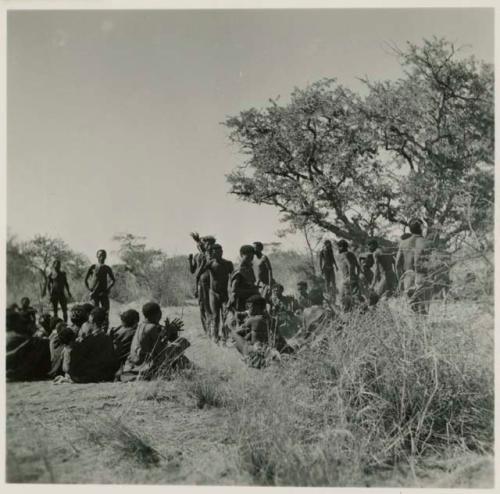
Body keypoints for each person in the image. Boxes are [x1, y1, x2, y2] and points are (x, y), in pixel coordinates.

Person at [121, 302, 188, 382]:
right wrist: (169, 333)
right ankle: (188, 369)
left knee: (175, 348)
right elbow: (160, 351)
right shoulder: (152, 328)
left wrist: (166, 332)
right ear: (158, 314)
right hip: (143, 367)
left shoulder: (141, 325)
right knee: (181, 342)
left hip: (133, 365)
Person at [59, 307, 119, 383]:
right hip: (106, 374)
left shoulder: (88, 340)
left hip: (90, 375)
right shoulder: (108, 339)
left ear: (92, 320)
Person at [231, 295, 291, 369]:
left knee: (235, 336)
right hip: (267, 349)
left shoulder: (253, 320)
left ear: (257, 307)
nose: (248, 309)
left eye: (250, 307)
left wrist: (236, 323)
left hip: (256, 350)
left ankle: (247, 359)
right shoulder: (271, 319)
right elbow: (279, 337)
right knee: (249, 335)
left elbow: (236, 333)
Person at [197, 243, 234, 344]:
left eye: (220, 251)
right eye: (216, 252)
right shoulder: (210, 263)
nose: (218, 254)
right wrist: (202, 264)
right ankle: (215, 338)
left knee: (226, 316)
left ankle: (225, 337)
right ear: (213, 253)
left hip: (224, 294)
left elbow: (232, 278)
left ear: (222, 252)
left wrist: (232, 293)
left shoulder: (228, 264)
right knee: (215, 317)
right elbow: (198, 275)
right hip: (213, 293)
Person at [395, 218, 433, 314]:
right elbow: (433, 264)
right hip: (422, 278)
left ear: (410, 229)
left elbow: (397, 265)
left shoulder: (403, 243)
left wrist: (401, 282)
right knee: (423, 311)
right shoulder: (427, 243)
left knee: (411, 310)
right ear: (421, 228)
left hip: (408, 279)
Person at [6, 307, 51, 381]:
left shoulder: (13, 336)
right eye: (20, 322)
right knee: (43, 343)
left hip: (15, 365)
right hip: (20, 368)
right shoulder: (13, 338)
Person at [191, 234, 216, 334]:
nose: (201, 245)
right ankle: (207, 330)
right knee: (202, 306)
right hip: (201, 284)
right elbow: (194, 271)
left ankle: (213, 329)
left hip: (210, 284)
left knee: (210, 307)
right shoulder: (198, 256)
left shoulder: (211, 256)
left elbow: (199, 272)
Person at [84, 249, 115, 328]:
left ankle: (105, 330)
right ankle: (95, 330)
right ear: (97, 256)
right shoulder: (93, 267)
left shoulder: (107, 268)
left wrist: (108, 289)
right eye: (100, 255)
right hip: (94, 293)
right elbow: (85, 280)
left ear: (106, 256)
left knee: (106, 312)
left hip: (104, 293)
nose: (102, 257)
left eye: (104, 255)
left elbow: (113, 280)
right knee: (95, 312)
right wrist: (90, 289)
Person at [228, 245, 260, 315]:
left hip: (250, 301)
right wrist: (251, 291)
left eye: (252, 257)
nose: (250, 259)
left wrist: (255, 288)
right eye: (248, 257)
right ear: (241, 255)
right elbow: (234, 290)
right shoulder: (239, 271)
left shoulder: (249, 268)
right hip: (240, 302)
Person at [337, 240, 362, 311]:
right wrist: (357, 276)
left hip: (348, 279)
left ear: (342, 247)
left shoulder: (344, 255)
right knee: (355, 297)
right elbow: (358, 266)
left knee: (344, 299)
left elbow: (350, 265)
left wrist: (349, 277)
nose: (338, 249)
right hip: (354, 278)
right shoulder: (352, 254)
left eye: (339, 247)